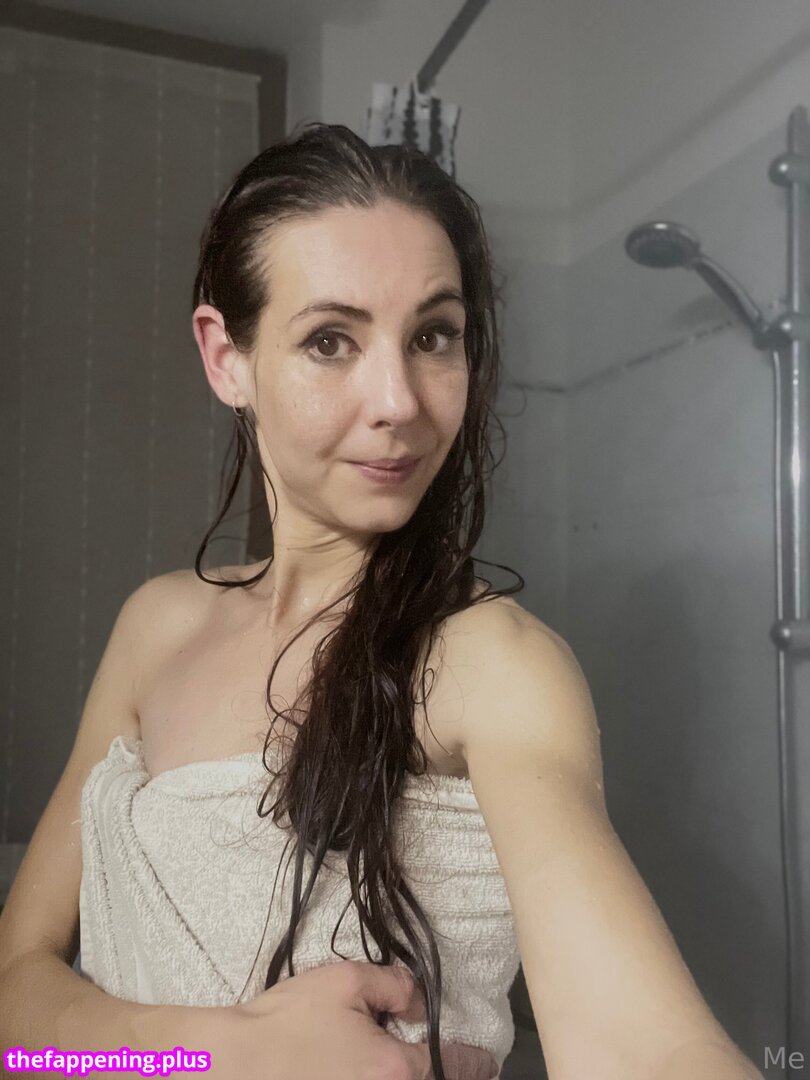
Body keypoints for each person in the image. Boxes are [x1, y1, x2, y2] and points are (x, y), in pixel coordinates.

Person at [0, 123, 762, 1080]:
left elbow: (641, 1046)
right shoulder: (154, 626)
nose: (399, 399)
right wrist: (219, 1052)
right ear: (226, 357)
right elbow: (16, 997)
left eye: (433, 336)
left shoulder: (494, 663)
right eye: (331, 341)